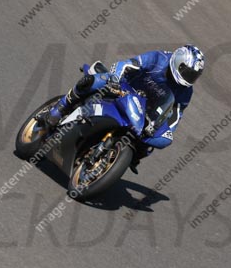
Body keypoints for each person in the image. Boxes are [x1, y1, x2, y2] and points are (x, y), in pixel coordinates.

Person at [38, 45, 205, 173]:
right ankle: (59, 109)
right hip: (123, 88)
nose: (188, 78)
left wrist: (166, 129)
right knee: (93, 82)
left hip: (146, 111)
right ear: (178, 61)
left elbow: (176, 114)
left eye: (193, 76)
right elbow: (126, 65)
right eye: (187, 72)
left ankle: (129, 156)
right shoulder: (158, 58)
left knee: (156, 142)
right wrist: (116, 80)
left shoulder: (186, 91)